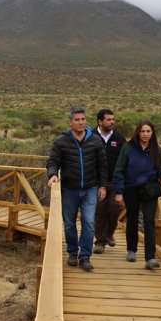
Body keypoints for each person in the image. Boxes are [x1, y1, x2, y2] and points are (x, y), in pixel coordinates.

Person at [47, 107, 108, 271]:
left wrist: (102, 185)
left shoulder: (95, 140)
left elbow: (102, 166)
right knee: (69, 224)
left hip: (90, 189)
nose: (81, 122)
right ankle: (73, 252)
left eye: (83, 119)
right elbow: (53, 161)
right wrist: (52, 174)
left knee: (89, 222)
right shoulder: (61, 141)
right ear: (71, 122)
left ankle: (85, 256)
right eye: (77, 120)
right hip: (69, 189)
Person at [112, 120, 161, 269]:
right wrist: (119, 192)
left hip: (149, 189)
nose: (145, 134)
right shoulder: (128, 148)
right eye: (142, 131)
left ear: (152, 133)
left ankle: (150, 258)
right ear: (138, 132)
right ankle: (131, 250)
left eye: (148, 131)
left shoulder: (157, 149)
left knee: (149, 221)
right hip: (131, 189)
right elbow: (119, 170)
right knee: (132, 218)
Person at [93, 109, 126, 254]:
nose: (112, 122)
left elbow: (125, 160)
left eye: (113, 119)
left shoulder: (119, 138)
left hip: (115, 180)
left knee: (115, 207)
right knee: (100, 209)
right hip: (96, 180)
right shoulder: (91, 136)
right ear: (100, 121)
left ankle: (109, 234)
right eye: (108, 119)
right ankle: (100, 241)